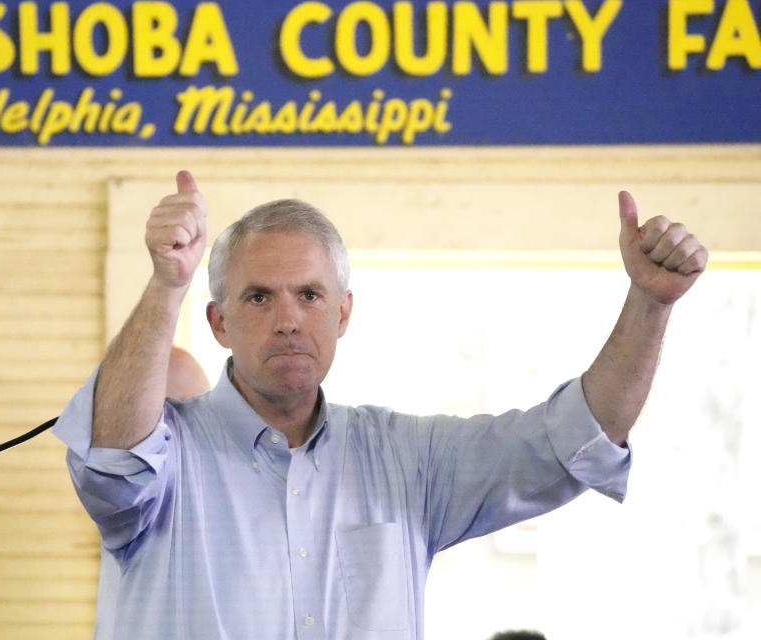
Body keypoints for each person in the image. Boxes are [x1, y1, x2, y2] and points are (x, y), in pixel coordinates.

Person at [53, 171, 708, 640]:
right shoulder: (170, 459)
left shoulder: (406, 460)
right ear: (218, 322)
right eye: (259, 298)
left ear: (343, 314)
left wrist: (650, 303)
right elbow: (114, 457)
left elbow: (577, 440)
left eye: (310, 295)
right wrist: (169, 280)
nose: (287, 319)